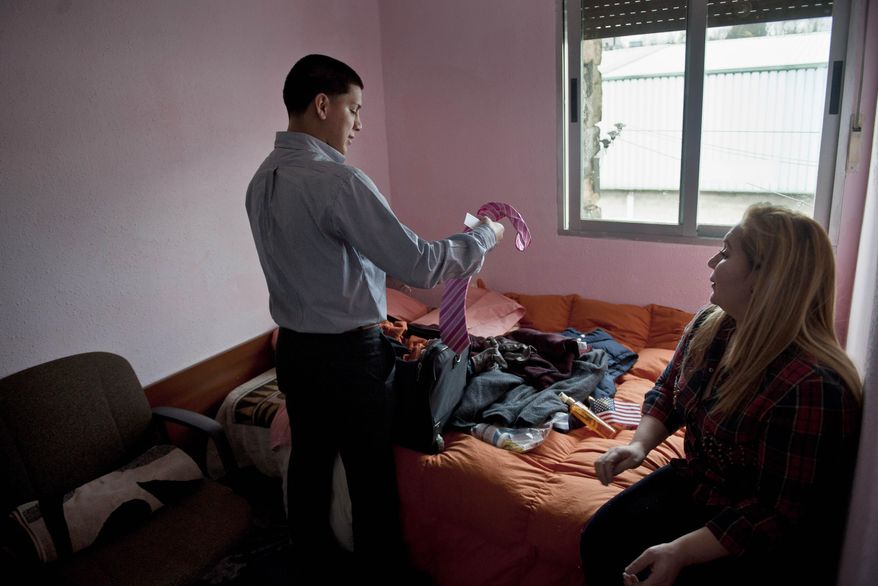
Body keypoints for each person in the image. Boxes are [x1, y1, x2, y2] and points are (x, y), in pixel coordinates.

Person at [245, 54, 503, 581]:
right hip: (348, 359)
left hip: (294, 351)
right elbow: (424, 262)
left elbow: (327, 261)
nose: (359, 125)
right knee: (371, 479)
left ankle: (312, 564)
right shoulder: (337, 181)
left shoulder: (261, 180)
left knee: (310, 465)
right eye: (354, 109)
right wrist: (486, 236)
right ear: (323, 105)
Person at [580, 204, 862, 586]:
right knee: (600, 539)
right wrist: (638, 446)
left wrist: (680, 551)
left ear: (764, 278)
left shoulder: (810, 387)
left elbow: (774, 514)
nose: (712, 261)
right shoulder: (711, 326)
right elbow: (667, 390)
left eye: (727, 253)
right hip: (699, 484)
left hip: (751, 533)